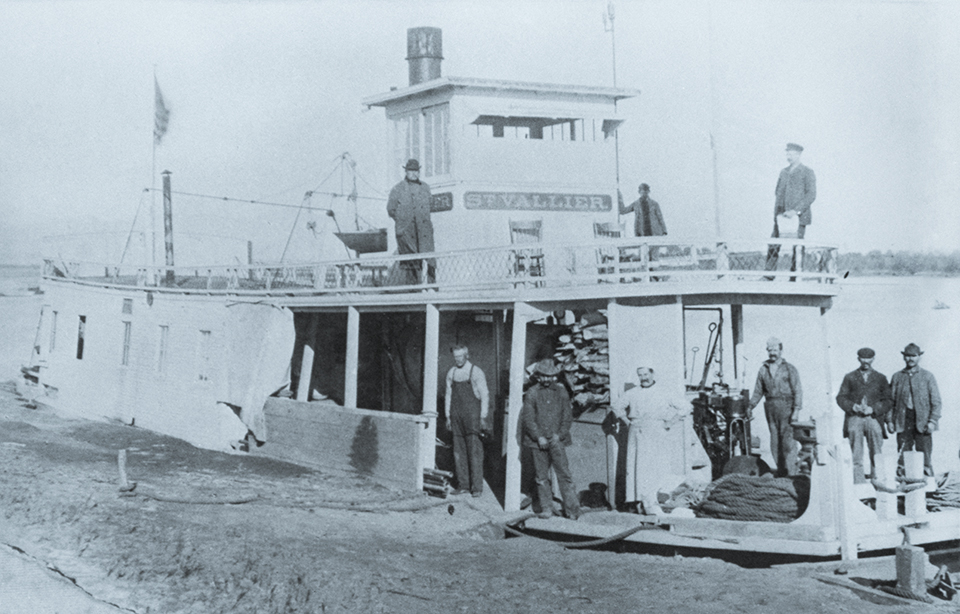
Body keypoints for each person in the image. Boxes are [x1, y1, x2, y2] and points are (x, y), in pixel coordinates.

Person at [610, 366, 687, 514]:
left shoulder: (665, 391)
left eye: (646, 374)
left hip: (656, 432)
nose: (643, 378)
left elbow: (685, 407)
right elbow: (616, 406)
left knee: (655, 466)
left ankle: (655, 501)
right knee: (637, 467)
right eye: (640, 375)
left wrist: (670, 422)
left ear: (652, 374)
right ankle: (638, 501)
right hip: (636, 432)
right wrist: (627, 421)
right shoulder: (632, 393)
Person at [521, 359, 581, 520]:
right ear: (538, 376)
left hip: (557, 441)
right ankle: (546, 508)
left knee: (564, 475)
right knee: (541, 478)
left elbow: (567, 417)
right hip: (537, 442)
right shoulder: (532, 393)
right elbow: (528, 419)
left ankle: (572, 510)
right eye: (543, 376)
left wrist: (559, 435)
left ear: (554, 376)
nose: (546, 380)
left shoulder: (561, 391)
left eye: (550, 376)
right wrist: (538, 436)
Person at [835, 348, 891, 484]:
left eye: (869, 358)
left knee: (876, 452)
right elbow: (841, 397)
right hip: (855, 418)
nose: (866, 361)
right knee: (856, 454)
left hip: (873, 418)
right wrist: (853, 407)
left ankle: (878, 481)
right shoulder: (850, 377)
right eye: (863, 358)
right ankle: (858, 483)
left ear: (873, 359)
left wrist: (873, 409)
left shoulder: (881, 378)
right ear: (858, 359)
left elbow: (888, 400)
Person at [748, 337, 802, 477]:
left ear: (781, 350)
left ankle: (792, 475)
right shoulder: (763, 369)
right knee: (775, 442)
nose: (772, 353)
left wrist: (796, 410)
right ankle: (781, 472)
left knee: (788, 443)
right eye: (770, 350)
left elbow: (798, 390)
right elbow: (758, 391)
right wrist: (750, 406)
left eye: (775, 350)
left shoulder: (789, 368)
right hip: (771, 407)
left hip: (787, 407)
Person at [888, 343, 942, 477]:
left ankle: (927, 485)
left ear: (919, 357)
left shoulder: (928, 376)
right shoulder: (897, 377)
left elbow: (936, 401)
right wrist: (889, 421)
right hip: (903, 421)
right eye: (907, 356)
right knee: (903, 455)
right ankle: (904, 484)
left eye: (914, 356)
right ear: (903, 357)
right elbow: (890, 401)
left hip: (923, 422)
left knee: (925, 455)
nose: (910, 359)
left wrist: (932, 421)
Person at [444, 344, 489, 497]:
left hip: (472, 417)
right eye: (455, 357)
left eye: (460, 356)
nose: (457, 360)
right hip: (456, 417)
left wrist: (483, 416)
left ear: (467, 355)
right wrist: (448, 416)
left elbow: (485, 395)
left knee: (474, 452)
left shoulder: (475, 372)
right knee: (458, 452)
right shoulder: (452, 372)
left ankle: (477, 487)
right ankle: (463, 485)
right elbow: (448, 395)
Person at [765, 143, 816, 275]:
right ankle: (769, 275)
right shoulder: (784, 172)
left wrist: (795, 211)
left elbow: (811, 195)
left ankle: (795, 276)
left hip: (798, 217)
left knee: (797, 246)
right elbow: (778, 192)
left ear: (799, 154)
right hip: (781, 216)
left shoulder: (807, 172)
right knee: (773, 244)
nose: (788, 156)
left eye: (791, 154)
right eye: (787, 153)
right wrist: (778, 214)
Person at [386, 159, 435, 284]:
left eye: (416, 171)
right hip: (407, 231)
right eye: (411, 171)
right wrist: (403, 220)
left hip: (424, 230)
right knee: (411, 262)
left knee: (430, 259)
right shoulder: (398, 189)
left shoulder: (425, 187)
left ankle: (433, 287)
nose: (414, 174)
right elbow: (391, 209)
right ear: (406, 172)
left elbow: (431, 205)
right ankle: (414, 292)